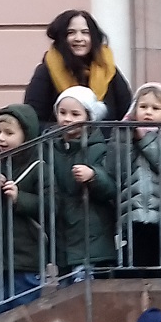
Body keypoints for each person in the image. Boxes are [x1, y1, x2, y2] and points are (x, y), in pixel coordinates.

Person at [0, 103, 50, 311]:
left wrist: (20, 198)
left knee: (25, 311)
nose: (1, 138)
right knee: (1, 309)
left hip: (27, 256)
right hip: (0, 257)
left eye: (8, 133)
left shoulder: (39, 166)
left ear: (27, 134)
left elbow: (51, 204)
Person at [50, 87, 119, 275]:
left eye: (75, 114)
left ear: (89, 118)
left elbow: (111, 188)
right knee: (66, 286)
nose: (67, 119)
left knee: (85, 284)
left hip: (92, 238)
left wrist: (94, 175)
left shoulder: (99, 147)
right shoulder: (50, 147)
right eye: (62, 112)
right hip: (64, 236)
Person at [24, 9, 132, 124]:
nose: (79, 38)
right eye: (71, 33)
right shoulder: (46, 72)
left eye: (85, 32)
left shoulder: (108, 69)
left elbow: (127, 114)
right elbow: (33, 120)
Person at [114, 82, 161, 270]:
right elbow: (116, 168)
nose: (148, 112)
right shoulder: (123, 136)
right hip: (132, 212)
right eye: (143, 107)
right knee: (134, 263)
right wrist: (127, 138)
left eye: (155, 108)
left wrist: (145, 139)